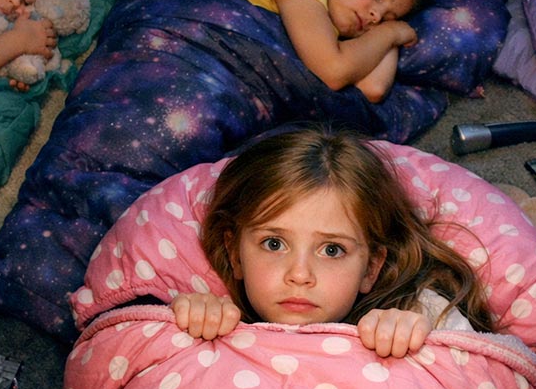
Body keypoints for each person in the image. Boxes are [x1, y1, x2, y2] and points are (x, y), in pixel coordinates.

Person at [170, 127, 492, 358]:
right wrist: (184, 322)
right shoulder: (217, 319)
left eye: (332, 250)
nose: (299, 274)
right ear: (234, 253)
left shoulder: (420, 314)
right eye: (273, 244)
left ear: (371, 267)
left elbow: (481, 387)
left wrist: (424, 344)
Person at [233, 0, 430, 102]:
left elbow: (372, 89)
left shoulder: (337, 41)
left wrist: (387, 34)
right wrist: (392, 32)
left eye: (386, 18)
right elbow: (332, 72)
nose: (376, 16)